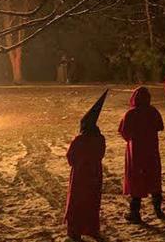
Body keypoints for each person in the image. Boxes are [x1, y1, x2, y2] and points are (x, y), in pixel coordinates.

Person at [65, 90, 108, 241]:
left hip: (80, 175)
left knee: (77, 202)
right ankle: (92, 229)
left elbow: (70, 157)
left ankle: (75, 231)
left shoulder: (79, 140)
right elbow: (101, 154)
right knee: (92, 202)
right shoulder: (100, 138)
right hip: (95, 174)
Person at [118, 87, 164, 223]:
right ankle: (158, 209)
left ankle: (135, 212)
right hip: (151, 151)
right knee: (153, 177)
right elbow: (160, 127)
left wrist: (131, 140)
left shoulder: (130, 114)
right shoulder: (153, 112)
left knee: (136, 179)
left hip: (136, 152)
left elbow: (124, 132)